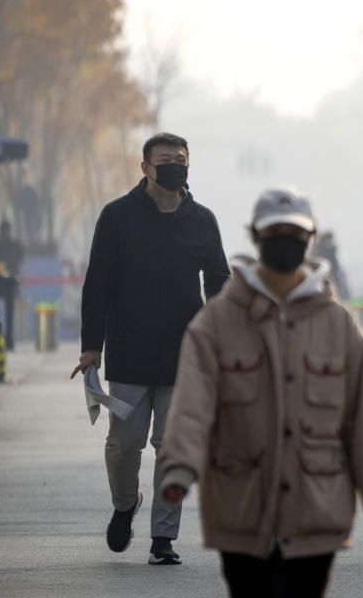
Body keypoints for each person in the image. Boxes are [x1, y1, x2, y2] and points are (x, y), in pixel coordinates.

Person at [158, 188, 363, 598]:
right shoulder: (218, 322)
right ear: (256, 237)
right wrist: (180, 468)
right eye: (276, 232)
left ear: (309, 239)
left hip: (317, 510)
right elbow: (192, 406)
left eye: (295, 232)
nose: (285, 241)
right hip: (240, 507)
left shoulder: (338, 325)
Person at [70, 133, 230, 565]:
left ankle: (164, 538)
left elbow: (218, 281)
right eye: (165, 160)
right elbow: (97, 284)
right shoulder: (118, 216)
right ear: (145, 167)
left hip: (185, 355)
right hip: (129, 350)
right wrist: (91, 347)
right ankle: (126, 503)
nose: (175, 166)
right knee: (125, 445)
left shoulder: (202, 220)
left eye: (182, 160)